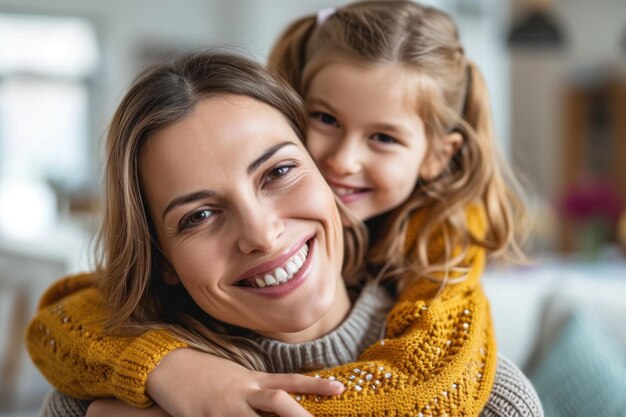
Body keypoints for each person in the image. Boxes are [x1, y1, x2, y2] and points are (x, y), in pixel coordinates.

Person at [28, 2, 542, 417]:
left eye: (277, 172)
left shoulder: (486, 395)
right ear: (160, 256)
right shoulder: (94, 398)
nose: (263, 234)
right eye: (198, 216)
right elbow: (60, 321)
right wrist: (164, 370)